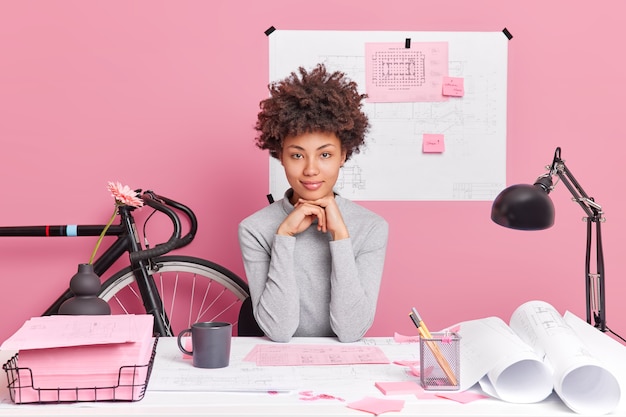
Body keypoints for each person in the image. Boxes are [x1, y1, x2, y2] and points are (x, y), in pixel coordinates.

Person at [238, 63, 389, 343]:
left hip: (343, 368)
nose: (310, 170)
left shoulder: (371, 227)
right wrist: (282, 236)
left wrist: (340, 237)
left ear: (343, 155)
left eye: (325, 155)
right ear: (280, 156)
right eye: (297, 156)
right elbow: (279, 331)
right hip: (278, 368)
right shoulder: (255, 229)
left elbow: (351, 331)